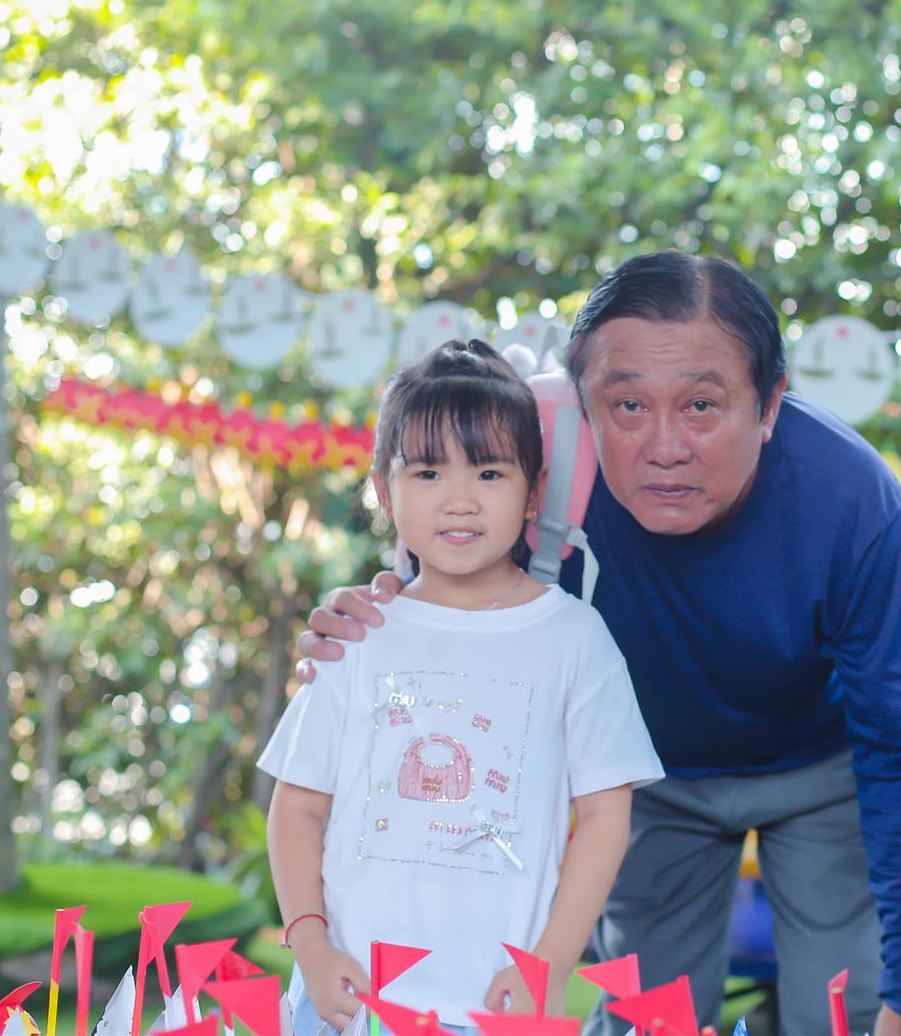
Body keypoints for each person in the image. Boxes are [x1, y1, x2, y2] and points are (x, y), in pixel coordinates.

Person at [297, 253, 901, 1036]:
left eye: (702, 405)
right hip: (644, 778)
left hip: (818, 771)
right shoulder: (533, 443)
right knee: (649, 1016)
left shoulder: (848, 496)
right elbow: (443, 571)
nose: (665, 446)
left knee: (847, 1008)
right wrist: (376, 613)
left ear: (770, 403)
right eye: (629, 405)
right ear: (581, 400)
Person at [262, 339, 662, 1033]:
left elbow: (604, 817)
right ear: (384, 490)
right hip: (348, 1001)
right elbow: (296, 807)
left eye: (489, 472)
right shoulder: (356, 633)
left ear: (534, 491)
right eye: (427, 472)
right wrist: (311, 947)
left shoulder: (575, 638)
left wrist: (548, 966)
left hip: (496, 1007)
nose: (459, 500)